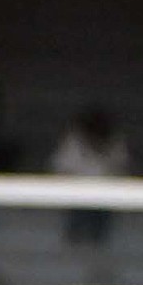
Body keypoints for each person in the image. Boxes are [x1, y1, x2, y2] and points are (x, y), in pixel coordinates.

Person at [50, 105, 130, 247]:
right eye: (94, 124)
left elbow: (121, 166)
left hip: (105, 196)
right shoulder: (74, 142)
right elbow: (61, 166)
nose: (97, 128)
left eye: (100, 124)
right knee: (75, 236)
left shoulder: (114, 142)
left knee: (101, 238)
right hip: (77, 196)